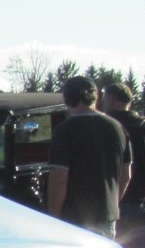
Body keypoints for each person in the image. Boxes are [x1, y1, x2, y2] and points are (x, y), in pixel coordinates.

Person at [46, 76, 130, 236]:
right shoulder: (117, 128)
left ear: (67, 98)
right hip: (107, 216)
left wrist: (54, 218)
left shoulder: (65, 131)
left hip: (74, 219)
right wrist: (112, 203)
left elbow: (59, 179)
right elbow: (126, 175)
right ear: (95, 96)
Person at [100, 81, 145, 222]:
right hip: (139, 197)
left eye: (104, 98)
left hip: (108, 196)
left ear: (111, 99)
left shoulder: (105, 126)